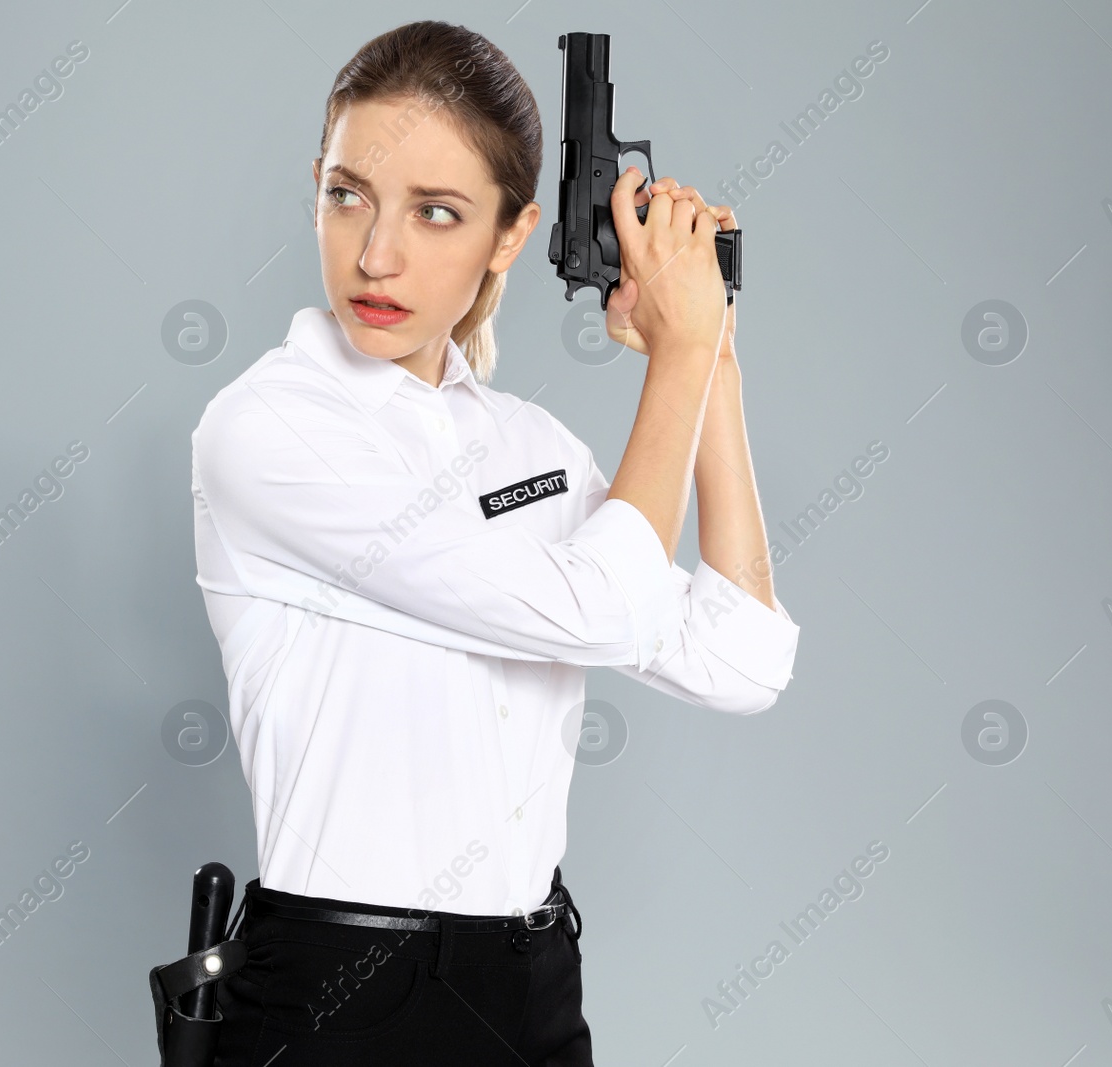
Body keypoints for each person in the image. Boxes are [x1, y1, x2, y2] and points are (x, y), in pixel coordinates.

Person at [188, 20, 799, 1066]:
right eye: (348, 195)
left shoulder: (532, 448)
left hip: (529, 985)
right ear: (319, 187)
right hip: (338, 994)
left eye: (436, 213)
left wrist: (715, 361)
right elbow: (596, 604)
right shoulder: (266, 430)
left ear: (509, 237)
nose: (376, 254)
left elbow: (741, 659)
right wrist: (676, 358)